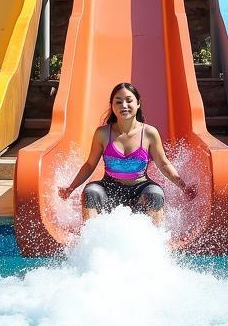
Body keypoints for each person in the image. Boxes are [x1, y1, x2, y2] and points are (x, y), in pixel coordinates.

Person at [58, 82, 195, 226]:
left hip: (140, 190)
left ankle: (156, 242)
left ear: (138, 104)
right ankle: (90, 240)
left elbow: (164, 164)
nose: (124, 105)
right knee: (91, 191)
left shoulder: (149, 133)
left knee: (155, 193)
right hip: (109, 189)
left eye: (129, 100)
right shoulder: (102, 133)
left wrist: (183, 186)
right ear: (112, 106)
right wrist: (70, 188)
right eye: (118, 102)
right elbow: (90, 164)